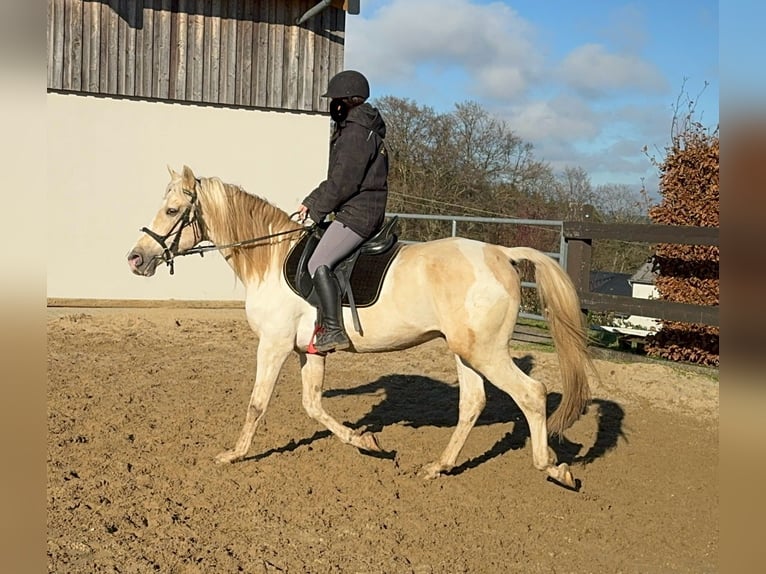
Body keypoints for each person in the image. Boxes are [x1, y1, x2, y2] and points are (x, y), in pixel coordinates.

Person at [297, 70, 389, 353]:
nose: (332, 105)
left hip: (358, 214)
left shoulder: (355, 132)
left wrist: (315, 209)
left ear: (348, 101)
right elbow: (339, 180)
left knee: (317, 262)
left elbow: (343, 182)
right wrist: (314, 202)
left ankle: (333, 330)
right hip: (361, 209)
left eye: (336, 100)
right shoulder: (361, 128)